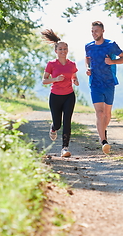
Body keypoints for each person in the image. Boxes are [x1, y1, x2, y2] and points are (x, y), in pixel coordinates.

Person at [85, 21, 123, 154]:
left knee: (107, 114)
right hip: (95, 83)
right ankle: (103, 141)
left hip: (109, 83)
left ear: (103, 31)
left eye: (96, 31)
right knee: (100, 113)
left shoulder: (111, 45)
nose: (94, 33)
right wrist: (87, 68)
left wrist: (112, 61)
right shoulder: (89, 46)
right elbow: (87, 58)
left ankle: (102, 131)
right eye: (92, 31)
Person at [41, 29, 79, 157]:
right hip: (55, 97)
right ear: (56, 51)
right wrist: (55, 79)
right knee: (57, 123)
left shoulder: (72, 64)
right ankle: (53, 128)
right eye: (60, 49)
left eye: (65, 49)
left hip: (69, 95)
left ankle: (65, 148)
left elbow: (73, 75)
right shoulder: (51, 64)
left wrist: (75, 80)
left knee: (67, 121)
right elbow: (44, 81)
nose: (63, 51)